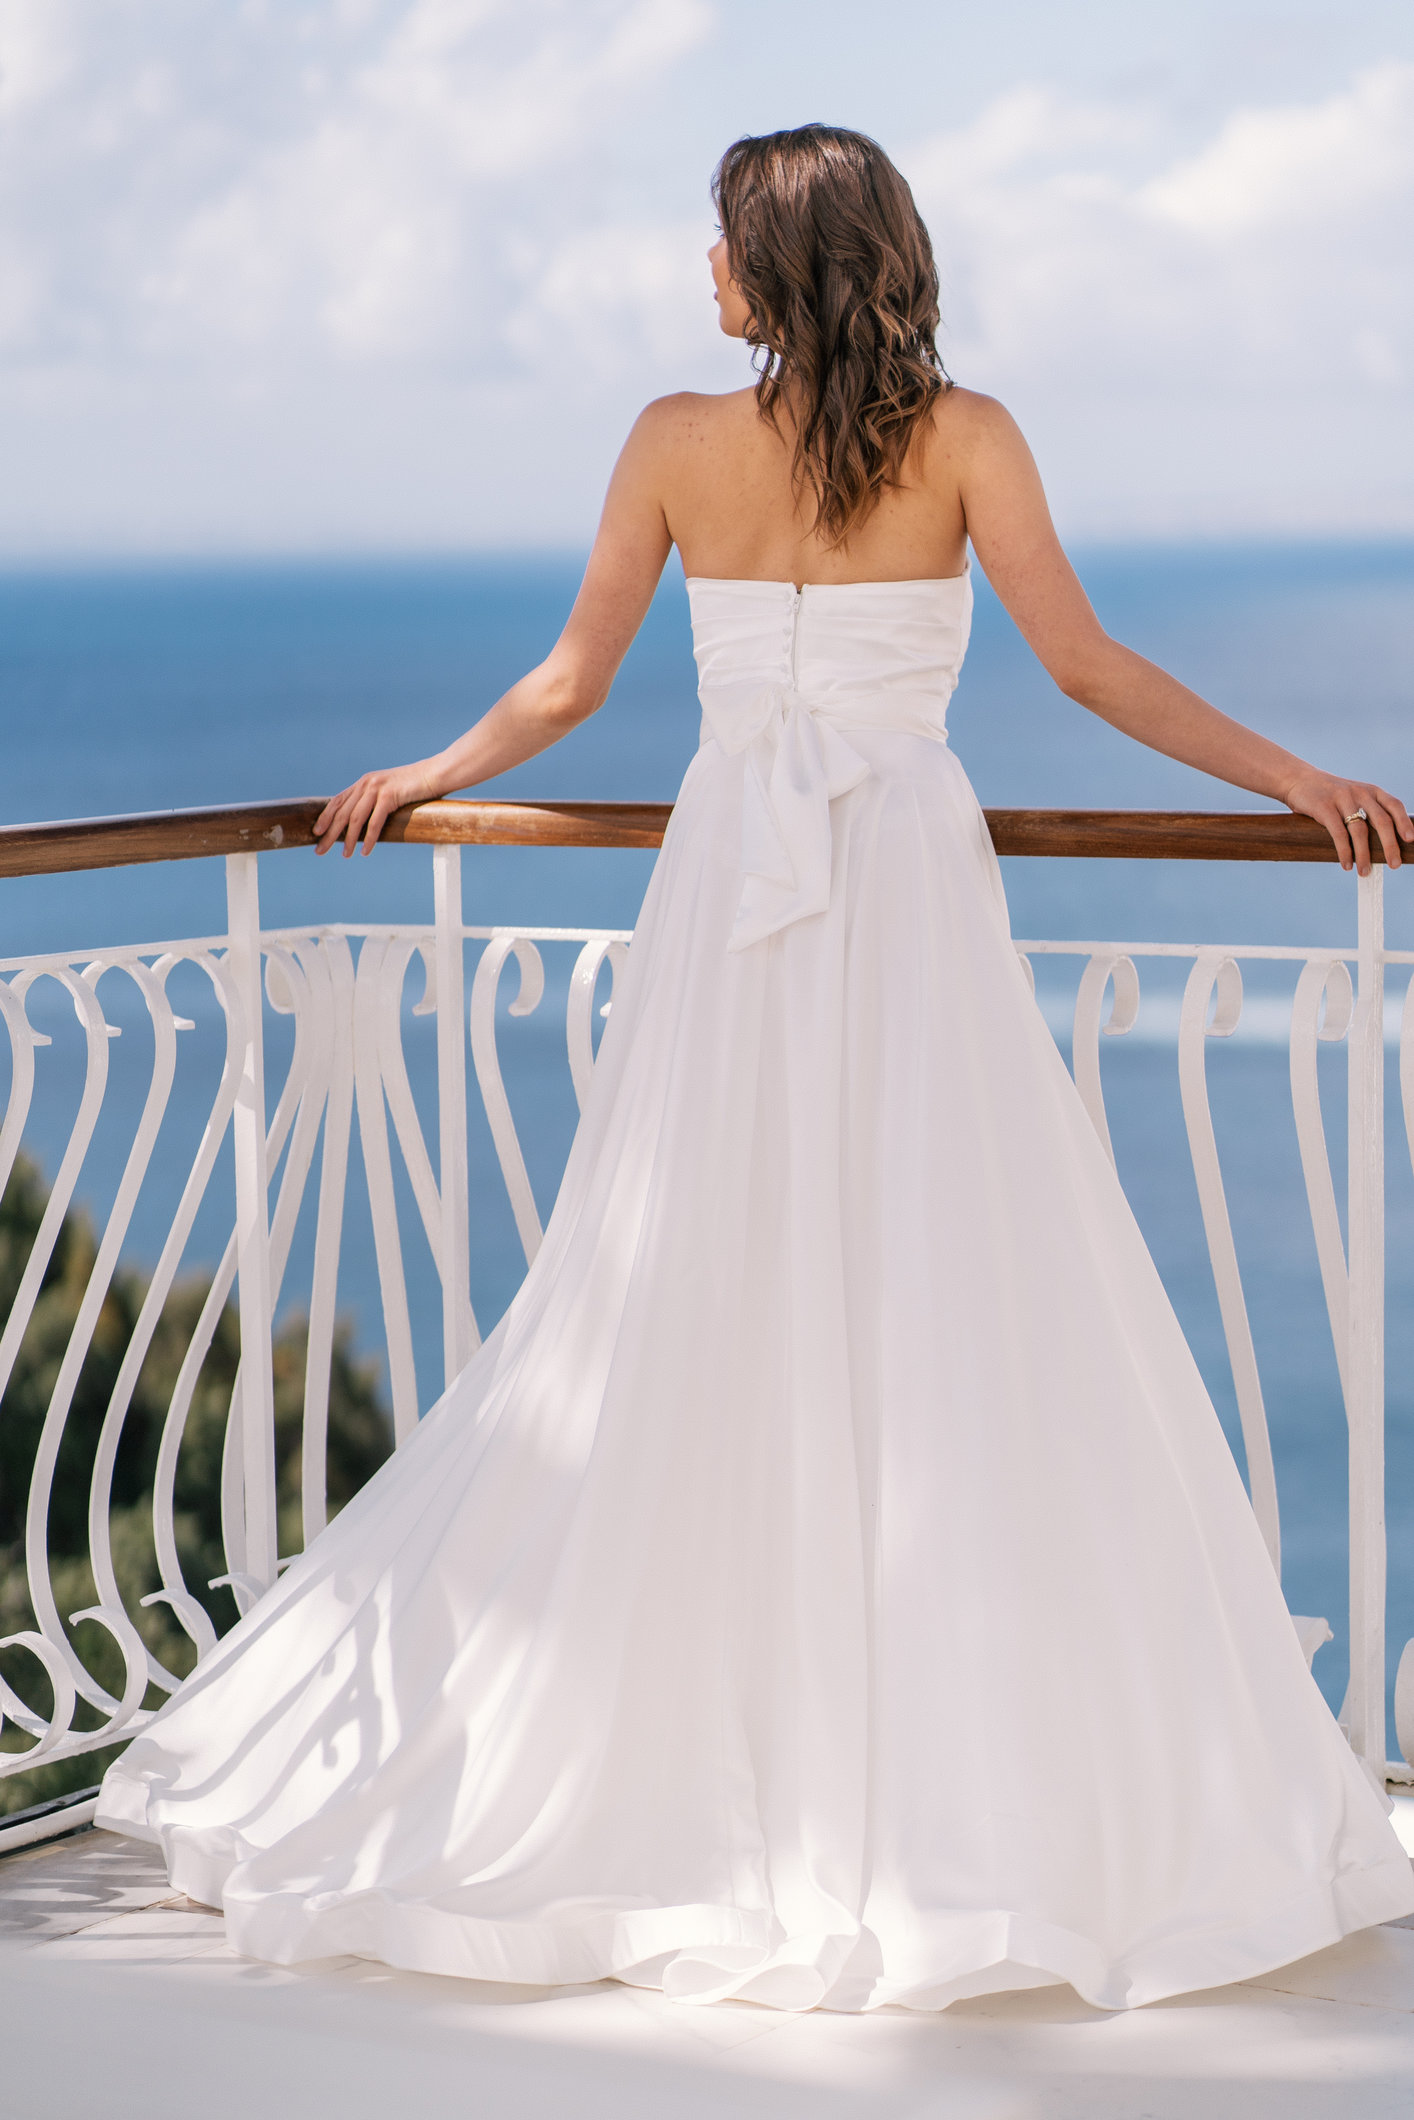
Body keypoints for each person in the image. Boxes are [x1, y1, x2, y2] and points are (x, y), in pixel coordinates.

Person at [99, 124, 1414, 2014]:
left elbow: (566, 687)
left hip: (733, 889)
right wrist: (1304, 779)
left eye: (718, 241)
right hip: (903, 894)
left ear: (774, 266)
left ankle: (713, 1738)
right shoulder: (966, 438)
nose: (697, 271)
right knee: (941, 1275)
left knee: (692, 1276)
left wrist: (425, 775)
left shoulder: (669, 440)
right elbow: (1091, 668)